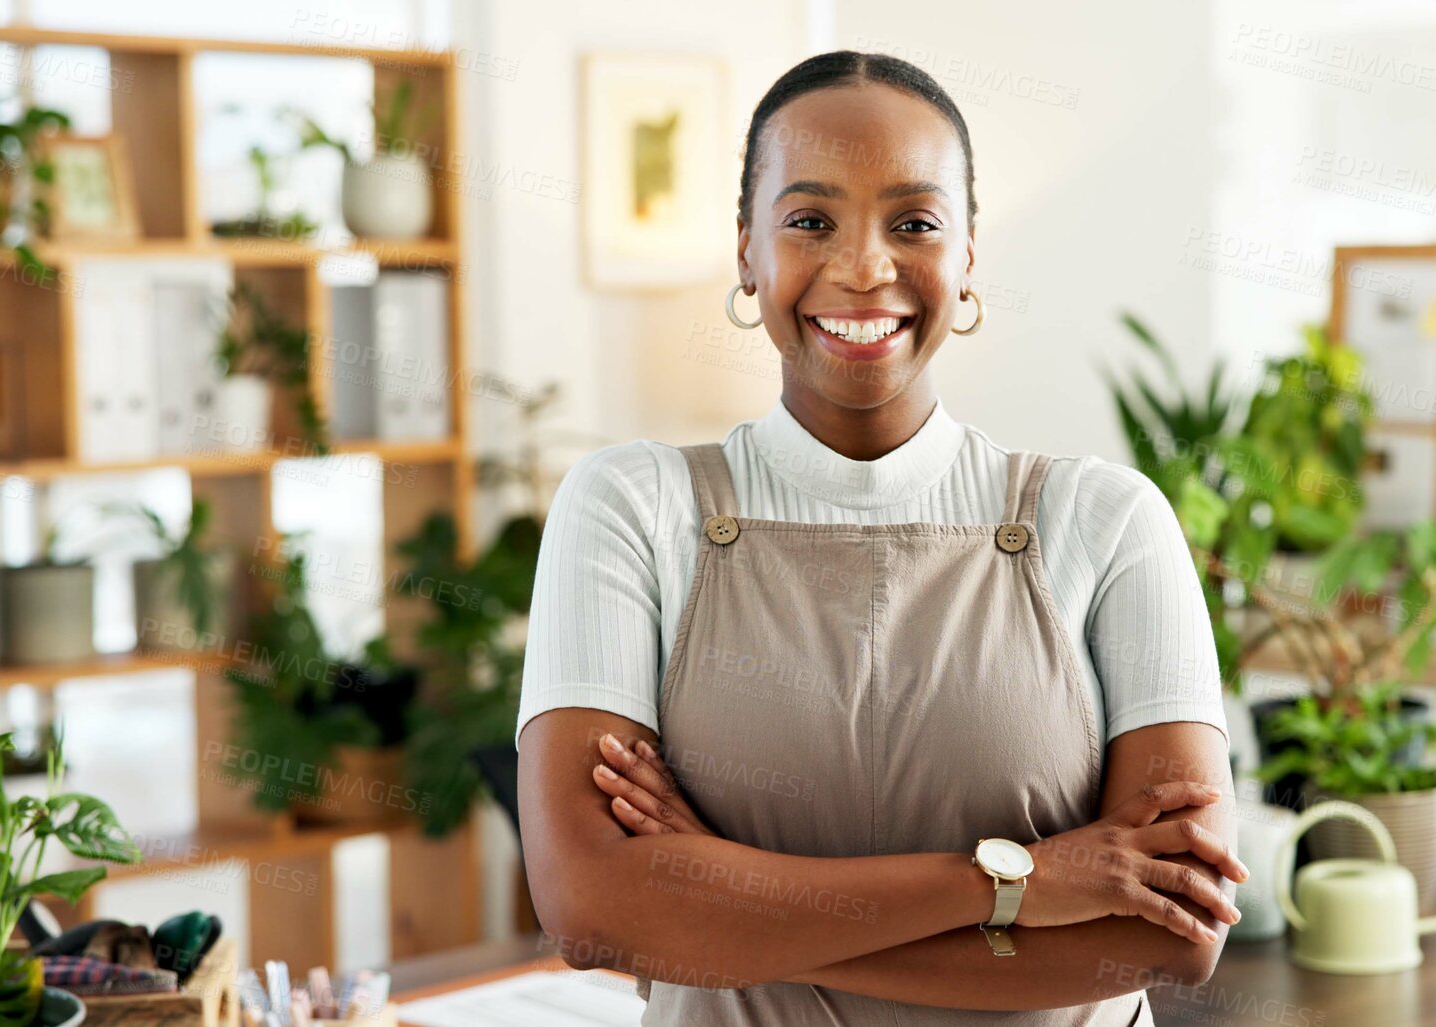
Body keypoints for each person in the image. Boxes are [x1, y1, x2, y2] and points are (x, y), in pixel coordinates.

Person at [516, 50, 1243, 1026]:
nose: (864, 267)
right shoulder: (630, 508)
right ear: (746, 252)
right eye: (810, 219)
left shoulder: (1110, 523)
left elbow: (1174, 934)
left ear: (968, 256)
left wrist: (725, 914)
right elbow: (595, 910)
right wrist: (1021, 881)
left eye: (915, 223)